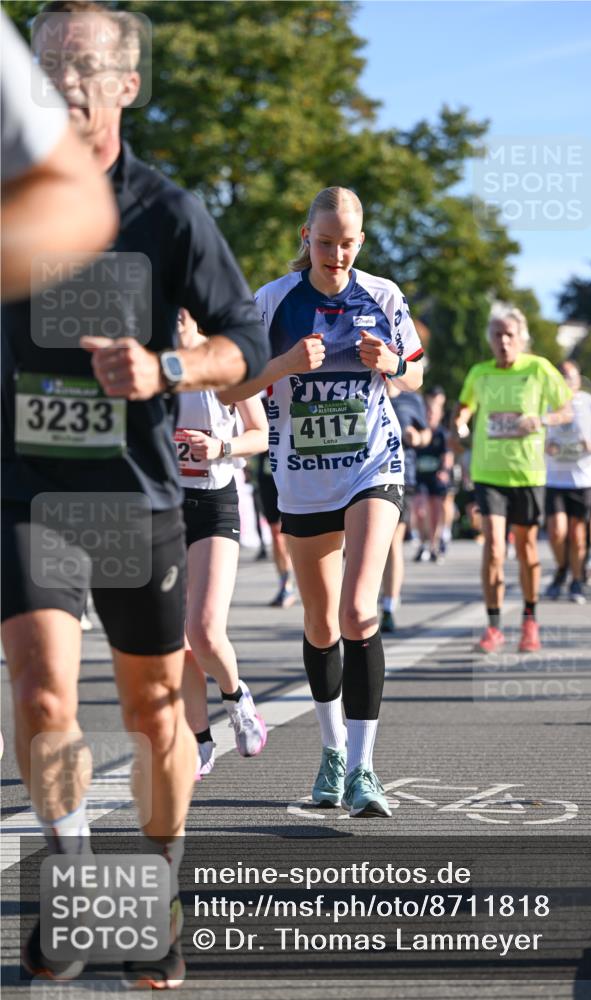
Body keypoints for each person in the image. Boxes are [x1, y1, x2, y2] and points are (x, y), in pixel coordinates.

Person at [1, 2, 268, 988]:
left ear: (124, 84)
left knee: (155, 711)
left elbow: (243, 344)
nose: (61, 83)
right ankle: (75, 888)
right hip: (27, 491)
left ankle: (157, 887)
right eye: (44, 67)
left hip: (139, 495)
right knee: (39, 692)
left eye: (82, 67)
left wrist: (164, 369)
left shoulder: (168, 213)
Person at [223, 186, 424, 817]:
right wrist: (282, 363)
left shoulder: (383, 296)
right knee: (321, 623)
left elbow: (417, 371)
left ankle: (365, 767)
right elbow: (234, 385)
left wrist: (392, 361)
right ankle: (333, 752)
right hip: (303, 475)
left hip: (371, 463)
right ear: (306, 236)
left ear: (361, 242)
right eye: (326, 241)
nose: (336, 254)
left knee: (360, 611)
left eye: (348, 243)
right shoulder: (273, 301)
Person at [174, 309, 268, 778]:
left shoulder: (225, 361)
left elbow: (261, 434)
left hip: (215, 502)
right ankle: (198, 741)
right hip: (163, 507)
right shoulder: (152, 363)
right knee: (176, 639)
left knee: (205, 631)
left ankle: (237, 699)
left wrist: (220, 448)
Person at [451, 305, 571, 654]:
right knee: (493, 548)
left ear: (521, 339)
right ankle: (493, 627)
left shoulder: (539, 368)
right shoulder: (480, 372)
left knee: (526, 549)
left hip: (527, 473)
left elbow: (566, 410)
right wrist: (460, 422)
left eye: (509, 335)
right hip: (488, 473)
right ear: (489, 339)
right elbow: (465, 406)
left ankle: (530, 621)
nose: (503, 341)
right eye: (497, 335)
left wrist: (542, 420)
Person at [1, 12, 117, 301]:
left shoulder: (174, 211)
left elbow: (79, 200)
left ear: (128, 85)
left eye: (86, 65)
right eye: (51, 65)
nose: (66, 80)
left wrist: (171, 350)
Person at [543, 360, 591, 604]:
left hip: (584, 479)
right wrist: (545, 446)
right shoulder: (546, 402)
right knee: (556, 532)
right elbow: (535, 434)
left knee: (577, 534)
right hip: (554, 478)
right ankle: (562, 569)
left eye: (570, 377)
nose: (565, 381)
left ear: (578, 380)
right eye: (561, 376)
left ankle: (576, 580)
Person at [381, 381, 430, 632]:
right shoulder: (359, 387)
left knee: (392, 541)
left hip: (401, 476)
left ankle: (388, 606)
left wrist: (417, 437)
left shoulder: (412, 398)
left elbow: (426, 433)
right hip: (357, 476)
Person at [256, 397, 298, 608]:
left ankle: (301, 574)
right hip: (267, 472)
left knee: (292, 531)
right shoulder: (261, 400)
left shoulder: (298, 393)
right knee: (276, 532)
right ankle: (285, 584)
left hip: (294, 469)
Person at [413, 386, 452, 563]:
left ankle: (434, 545)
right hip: (420, 476)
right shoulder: (418, 432)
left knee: (436, 510)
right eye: (427, 411)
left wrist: (444, 471)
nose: (430, 415)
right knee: (420, 510)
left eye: (433, 412)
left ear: (439, 414)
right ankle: (422, 543)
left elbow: (447, 456)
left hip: (436, 477)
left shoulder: (441, 434)